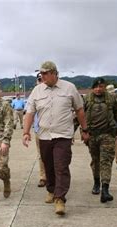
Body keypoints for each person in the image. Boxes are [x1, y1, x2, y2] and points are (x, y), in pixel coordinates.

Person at [23, 61, 89, 216]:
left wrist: (84, 130)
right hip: (44, 136)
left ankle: (60, 199)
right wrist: (26, 132)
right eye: (41, 74)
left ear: (54, 73)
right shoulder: (37, 91)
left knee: (61, 166)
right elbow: (30, 112)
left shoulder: (69, 88)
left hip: (63, 135)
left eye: (45, 73)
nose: (42, 76)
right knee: (49, 166)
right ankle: (51, 190)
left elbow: (79, 110)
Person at [84, 77, 117, 203]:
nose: (98, 89)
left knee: (106, 161)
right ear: (93, 88)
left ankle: (105, 189)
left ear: (105, 87)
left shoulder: (111, 99)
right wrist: (81, 132)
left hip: (107, 134)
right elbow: (80, 116)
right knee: (96, 161)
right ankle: (96, 183)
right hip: (92, 135)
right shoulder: (87, 99)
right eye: (96, 87)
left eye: (101, 87)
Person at [33, 73, 46, 187]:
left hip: (54, 130)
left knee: (54, 156)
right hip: (39, 130)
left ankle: (55, 176)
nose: (41, 82)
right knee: (41, 155)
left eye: (43, 79)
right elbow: (29, 112)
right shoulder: (34, 95)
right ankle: (43, 177)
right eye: (39, 80)